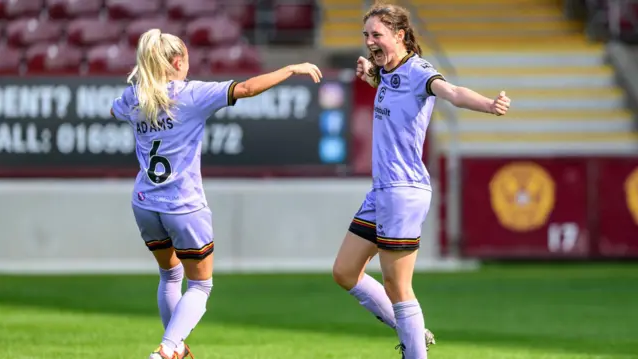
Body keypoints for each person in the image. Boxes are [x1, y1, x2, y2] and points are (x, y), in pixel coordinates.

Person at [110, 29, 322, 359]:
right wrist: (290, 69)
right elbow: (248, 88)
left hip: (146, 203)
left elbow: (115, 111)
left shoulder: (134, 96)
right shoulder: (191, 95)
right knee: (200, 285)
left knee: (170, 274)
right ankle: (167, 350)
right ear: (178, 61)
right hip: (183, 205)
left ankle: (177, 347)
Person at [331, 3, 510, 359]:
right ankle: (411, 329)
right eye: (366, 35)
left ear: (399, 35)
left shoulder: (419, 70)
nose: (369, 41)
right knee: (345, 271)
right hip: (382, 191)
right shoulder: (388, 70)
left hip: (404, 191)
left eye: (377, 35)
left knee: (398, 286)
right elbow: (390, 86)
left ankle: (414, 349)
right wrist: (371, 72)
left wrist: (489, 105)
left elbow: (452, 92)